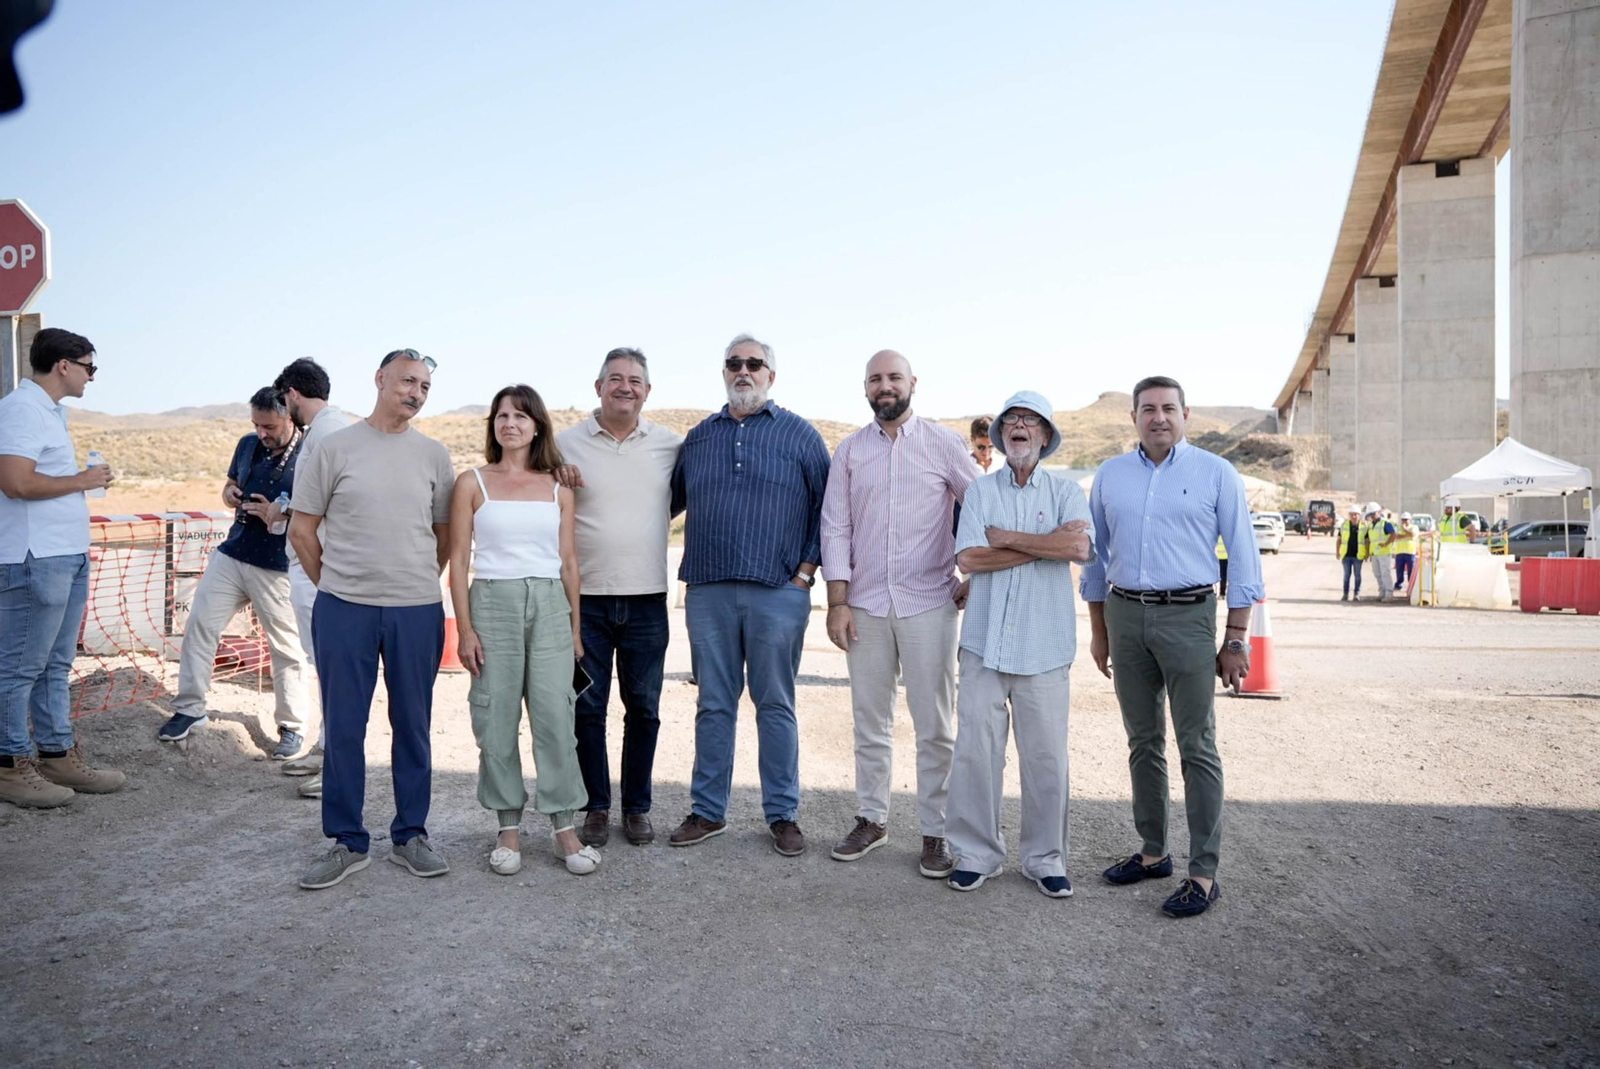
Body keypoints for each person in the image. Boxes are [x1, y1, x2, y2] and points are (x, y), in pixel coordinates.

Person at [1081, 375, 1261, 919]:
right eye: (1147, 409)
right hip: (1124, 614)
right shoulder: (1110, 477)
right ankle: (1153, 852)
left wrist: (1235, 637)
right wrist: (1099, 630)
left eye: (1168, 408)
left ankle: (1203, 873)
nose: (1158, 417)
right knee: (1143, 742)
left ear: (1186, 414)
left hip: (1189, 617)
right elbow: (1095, 560)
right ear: (1133, 417)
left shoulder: (1215, 473)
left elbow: (1245, 559)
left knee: (1197, 746)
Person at [288, 349, 456, 890]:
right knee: (342, 727)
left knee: (413, 725)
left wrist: (410, 581)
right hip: (344, 609)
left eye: (425, 387)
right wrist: (338, 586)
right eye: (408, 380)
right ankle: (346, 842)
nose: (416, 392)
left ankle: (411, 835)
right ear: (380, 379)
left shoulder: (434, 455)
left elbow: (445, 537)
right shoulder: (334, 448)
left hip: (416, 610)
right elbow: (302, 530)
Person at [667, 334, 830, 857]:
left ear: (771, 376)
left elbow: (829, 513)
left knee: (775, 703)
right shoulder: (698, 438)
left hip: (778, 592)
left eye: (754, 364)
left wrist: (805, 575)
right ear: (723, 373)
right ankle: (708, 811)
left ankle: (783, 814)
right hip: (709, 590)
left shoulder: (800, 436)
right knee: (713, 704)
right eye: (733, 364)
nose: (743, 371)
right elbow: (660, 504)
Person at [820, 350, 979, 878]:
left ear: (912, 383)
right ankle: (872, 817)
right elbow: (835, 528)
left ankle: (937, 831)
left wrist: (973, 574)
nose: (884, 386)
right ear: (865, 388)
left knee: (935, 724)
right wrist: (837, 601)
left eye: (893, 377)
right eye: (875, 379)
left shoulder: (945, 443)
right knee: (870, 720)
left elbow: (980, 505)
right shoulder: (849, 452)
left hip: (929, 602)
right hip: (864, 605)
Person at [943, 390, 1092, 898]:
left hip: (1045, 645)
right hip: (984, 641)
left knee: (1046, 757)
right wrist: (1040, 544)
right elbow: (969, 560)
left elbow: (1078, 547)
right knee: (975, 753)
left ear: (1045, 435)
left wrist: (1006, 537)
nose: (1019, 426)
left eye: (1030, 420)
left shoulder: (1066, 492)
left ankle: (1045, 859)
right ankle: (976, 853)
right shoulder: (982, 491)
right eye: (1012, 420)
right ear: (1001, 435)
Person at [449, 384, 599, 877]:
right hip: (492, 601)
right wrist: (465, 630)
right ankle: (508, 827)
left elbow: (570, 563)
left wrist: (575, 629)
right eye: (500, 415)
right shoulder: (472, 482)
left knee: (556, 716)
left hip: (551, 606)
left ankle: (563, 828)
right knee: (495, 719)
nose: (509, 423)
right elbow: (457, 564)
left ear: (537, 425)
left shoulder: (558, 487)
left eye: (519, 415)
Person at [556, 348, 682, 849]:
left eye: (634, 380)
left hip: (648, 599)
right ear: (598, 387)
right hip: (584, 603)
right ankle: (595, 807)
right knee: (586, 708)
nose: (624, 386)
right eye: (615, 378)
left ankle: (636, 807)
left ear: (647, 391)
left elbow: (680, 498)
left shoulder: (672, 445)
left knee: (644, 708)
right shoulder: (563, 445)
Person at [0, 328, 124, 807]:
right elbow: (15, 482)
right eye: (90, 366)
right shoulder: (21, 410)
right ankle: (10, 766)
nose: (93, 376)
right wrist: (83, 480)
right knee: (19, 667)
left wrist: (79, 483)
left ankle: (56, 755)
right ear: (64, 366)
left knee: (55, 664)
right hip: (34, 559)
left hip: (62, 556)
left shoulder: (47, 412)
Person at [157, 388, 311, 755]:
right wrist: (229, 495)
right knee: (200, 625)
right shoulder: (246, 444)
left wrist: (281, 510)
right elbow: (230, 485)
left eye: (269, 425)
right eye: (256, 425)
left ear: (290, 416)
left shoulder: (311, 452)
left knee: (286, 648)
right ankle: (190, 709)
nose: (262, 433)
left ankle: (292, 726)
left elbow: (322, 506)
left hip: (277, 566)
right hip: (233, 553)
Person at [271, 357, 356, 797]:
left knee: (333, 668)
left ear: (292, 394)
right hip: (313, 560)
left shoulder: (325, 433)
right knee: (326, 667)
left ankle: (337, 769)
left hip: (316, 561)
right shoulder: (328, 430)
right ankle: (325, 749)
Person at [1336, 505, 1367, 602]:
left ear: (1359, 516)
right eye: (1352, 514)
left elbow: (1367, 541)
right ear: (1349, 516)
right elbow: (1339, 540)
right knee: (1346, 575)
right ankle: (1345, 594)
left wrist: (1367, 553)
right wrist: (1338, 552)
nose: (1354, 516)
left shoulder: (1364, 527)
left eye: (1356, 514)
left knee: (1357, 575)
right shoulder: (1344, 526)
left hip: (1358, 556)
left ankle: (1357, 594)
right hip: (1346, 555)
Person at [1366, 502, 1395, 601]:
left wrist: (1386, 544)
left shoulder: (1385, 523)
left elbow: (1393, 534)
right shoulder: (1370, 525)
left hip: (1384, 553)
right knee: (1377, 573)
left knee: (1385, 573)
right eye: (1370, 515)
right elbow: (1370, 540)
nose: (1372, 516)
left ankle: (1389, 593)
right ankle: (1382, 591)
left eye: (1373, 514)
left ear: (1378, 512)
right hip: (1375, 553)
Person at [1394, 512, 1419, 592]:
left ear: (1410, 520)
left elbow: (1412, 534)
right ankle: (1399, 584)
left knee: (1411, 570)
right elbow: (1396, 536)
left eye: (1406, 520)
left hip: (1410, 552)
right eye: (1403, 520)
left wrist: (1404, 529)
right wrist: (1406, 534)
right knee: (1399, 570)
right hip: (1400, 552)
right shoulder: (1398, 527)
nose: (1404, 521)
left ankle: (1411, 585)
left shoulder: (1414, 527)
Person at [1215, 535, 1229, 600]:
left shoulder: (1219, 535)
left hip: (1221, 558)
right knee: (1229, 577)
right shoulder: (1227, 534)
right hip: (1228, 557)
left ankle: (1222, 594)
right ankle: (1224, 593)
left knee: (1223, 577)